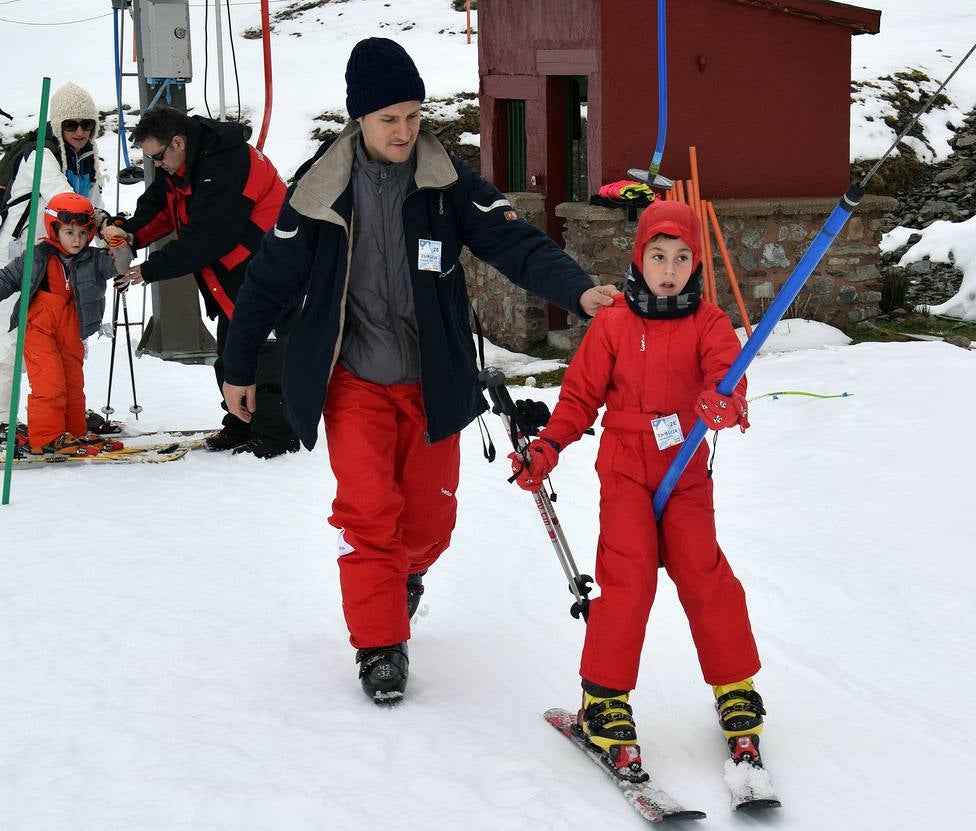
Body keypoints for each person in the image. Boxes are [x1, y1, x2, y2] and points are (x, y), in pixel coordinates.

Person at [219, 37, 616, 703]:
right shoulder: (320, 192)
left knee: (429, 526)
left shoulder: (446, 184)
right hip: (354, 381)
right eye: (387, 119)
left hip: (432, 383)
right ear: (359, 121)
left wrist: (576, 290)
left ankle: (403, 575)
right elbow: (267, 281)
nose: (403, 131)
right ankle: (379, 645)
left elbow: (512, 241)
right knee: (369, 512)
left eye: (411, 115)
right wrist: (238, 364)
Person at [511, 200, 767, 778]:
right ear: (639, 258)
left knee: (703, 571)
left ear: (695, 265)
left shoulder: (708, 323)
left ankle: (735, 687)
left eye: (681, 258)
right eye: (658, 256)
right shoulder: (614, 323)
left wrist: (723, 403)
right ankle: (604, 700)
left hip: (684, 470)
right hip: (626, 466)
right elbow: (580, 396)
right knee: (626, 578)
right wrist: (548, 447)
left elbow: (729, 377)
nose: (669, 268)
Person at [100, 106, 298, 459]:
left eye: (159, 157)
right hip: (237, 267)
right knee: (230, 351)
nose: (158, 165)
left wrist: (150, 269)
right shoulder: (186, 161)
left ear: (178, 142)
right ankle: (242, 423)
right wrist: (128, 232)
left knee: (263, 353)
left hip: (265, 264)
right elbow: (161, 205)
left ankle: (276, 434)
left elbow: (208, 238)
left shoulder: (225, 164)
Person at [0, 82, 107, 442]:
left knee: (66, 335)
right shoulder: (40, 155)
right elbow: (64, 199)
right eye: (71, 125)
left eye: (86, 125)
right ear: (58, 125)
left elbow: (92, 202)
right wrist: (96, 221)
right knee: (16, 335)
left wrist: (110, 226)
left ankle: (61, 411)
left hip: (66, 254)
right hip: (24, 250)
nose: (79, 132)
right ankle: (2, 417)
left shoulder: (87, 157)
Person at [0, 193, 125, 456]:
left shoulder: (94, 258)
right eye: (69, 232)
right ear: (54, 229)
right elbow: (8, 279)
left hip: (72, 325)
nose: (76, 239)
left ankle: (74, 433)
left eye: (82, 232)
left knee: (72, 381)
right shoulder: (38, 255)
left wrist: (118, 242)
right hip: (39, 324)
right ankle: (47, 436)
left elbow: (120, 265)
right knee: (49, 380)